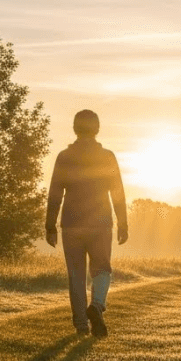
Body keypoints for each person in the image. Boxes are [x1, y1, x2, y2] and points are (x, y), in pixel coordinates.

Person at [46, 109, 128, 337]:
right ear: (97, 129)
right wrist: (123, 223)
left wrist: (50, 225)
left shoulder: (64, 157)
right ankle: (97, 306)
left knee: (76, 274)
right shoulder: (108, 156)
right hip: (100, 222)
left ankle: (81, 325)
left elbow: (55, 193)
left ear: (74, 129)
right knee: (102, 268)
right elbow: (117, 191)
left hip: (72, 223)